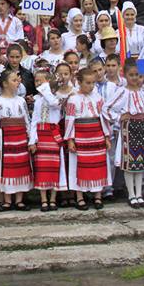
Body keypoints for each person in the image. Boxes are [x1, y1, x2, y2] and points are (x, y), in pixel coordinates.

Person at [108, 59, 144, 208]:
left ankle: (139, 194)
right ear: (125, 75)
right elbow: (106, 109)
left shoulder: (143, 93)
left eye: (137, 75)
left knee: (140, 164)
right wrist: (119, 117)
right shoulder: (122, 92)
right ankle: (131, 194)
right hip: (128, 130)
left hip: (141, 129)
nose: (135, 78)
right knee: (129, 164)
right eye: (131, 75)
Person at [64, 68, 111, 210]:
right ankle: (79, 197)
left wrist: (106, 137)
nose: (91, 86)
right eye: (88, 83)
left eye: (93, 83)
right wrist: (70, 139)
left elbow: (103, 118)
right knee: (78, 166)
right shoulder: (73, 99)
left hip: (97, 136)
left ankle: (98, 196)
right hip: (80, 136)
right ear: (79, 82)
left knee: (98, 165)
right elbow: (69, 120)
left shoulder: (98, 98)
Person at [0, 68, 32, 211]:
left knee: (22, 168)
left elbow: (27, 121)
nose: (17, 82)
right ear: (5, 84)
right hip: (6, 141)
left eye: (18, 80)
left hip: (21, 140)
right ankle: (7, 200)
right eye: (14, 80)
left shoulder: (21, 101)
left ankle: (19, 200)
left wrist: (31, 139)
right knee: (7, 169)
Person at [29, 69, 65, 211]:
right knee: (42, 168)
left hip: (53, 135)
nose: (38, 83)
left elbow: (54, 104)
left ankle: (53, 199)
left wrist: (46, 90)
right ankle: (44, 198)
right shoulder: (37, 100)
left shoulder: (56, 98)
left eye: (41, 81)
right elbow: (34, 120)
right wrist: (32, 140)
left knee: (55, 167)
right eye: (36, 81)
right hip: (41, 135)